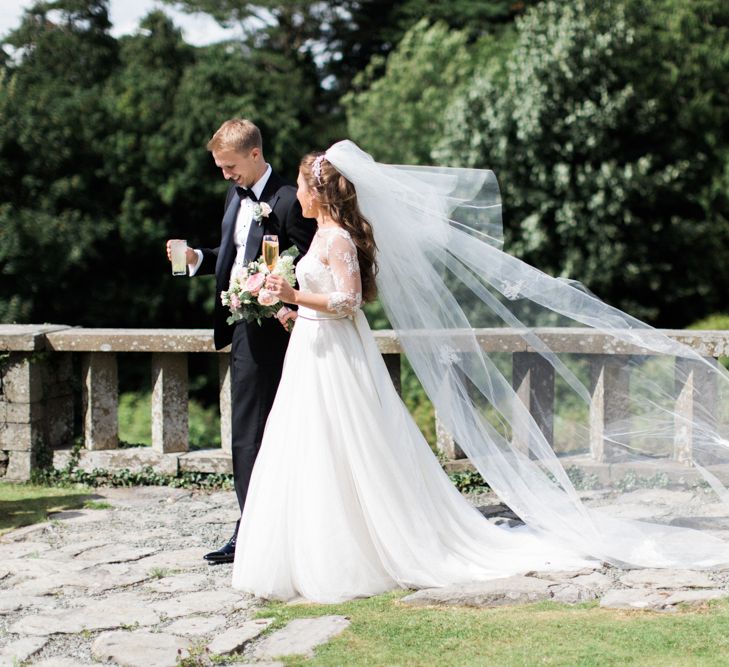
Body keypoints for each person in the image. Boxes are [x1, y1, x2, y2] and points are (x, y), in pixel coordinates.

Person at [232, 141, 729, 603]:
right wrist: (294, 310)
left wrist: (296, 295)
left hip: (339, 354)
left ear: (316, 192)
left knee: (348, 443)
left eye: (301, 185)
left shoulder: (338, 237)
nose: (295, 193)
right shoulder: (320, 235)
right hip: (313, 348)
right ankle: (309, 549)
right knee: (311, 443)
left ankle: (356, 552)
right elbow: (327, 303)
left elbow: (350, 299)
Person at [167, 119, 315, 564]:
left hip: (277, 336)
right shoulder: (235, 196)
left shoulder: (289, 201)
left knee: (252, 436)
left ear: (254, 155)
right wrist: (197, 259)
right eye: (220, 167)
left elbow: (309, 262)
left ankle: (253, 532)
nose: (225, 175)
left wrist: (281, 299)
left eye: (230, 166)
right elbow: (230, 258)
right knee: (251, 434)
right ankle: (259, 524)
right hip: (243, 331)